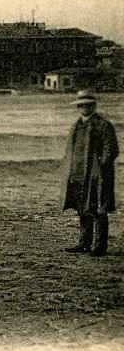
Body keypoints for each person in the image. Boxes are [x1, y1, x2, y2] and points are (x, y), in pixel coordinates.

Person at [62, 90, 118, 257]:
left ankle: (100, 246)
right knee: (82, 207)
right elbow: (70, 151)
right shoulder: (76, 126)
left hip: (97, 175)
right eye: (81, 105)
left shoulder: (103, 125)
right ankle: (84, 243)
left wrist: (100, 166)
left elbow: (111, 149)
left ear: (93, 106)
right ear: (78, 107)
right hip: (78, 173)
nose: (84, 108)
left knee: (99, 208)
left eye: (87, 105)